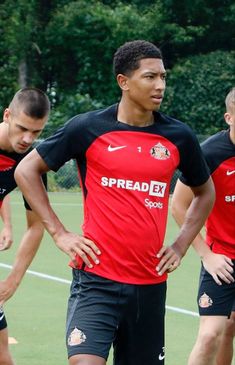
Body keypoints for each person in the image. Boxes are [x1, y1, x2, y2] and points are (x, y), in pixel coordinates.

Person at [14, 40, 214, 365]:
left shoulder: (179, 136)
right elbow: (26, 170)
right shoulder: (87, 128)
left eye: (163, 76)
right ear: (124, 81)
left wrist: (179, 245)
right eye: (150, 77)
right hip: (95, 281)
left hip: (149, 285)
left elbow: (205, 192)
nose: (160, 85)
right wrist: (60, 233)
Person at [171, 87, 235, 365]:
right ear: (229, 117)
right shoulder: (209, 153)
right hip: (222, 259)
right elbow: (179, 205)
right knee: (210, 336)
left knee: (231, 329)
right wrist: (206, 255)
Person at [0, 87, 50, 365]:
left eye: (37, 132)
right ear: (7, 115)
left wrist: (13, 281)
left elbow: (36, 225)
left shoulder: (30, 164)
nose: (28, 139)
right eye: (22, 129)